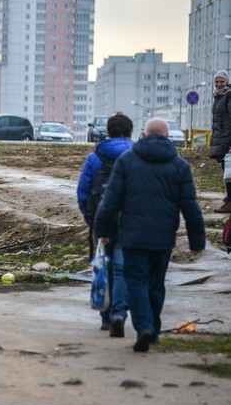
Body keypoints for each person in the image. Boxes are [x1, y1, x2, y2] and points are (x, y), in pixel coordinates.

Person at [94, 118, 206, 352]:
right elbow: (191, 206)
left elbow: (110, 201)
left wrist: (102, 231)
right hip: (163, 238)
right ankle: (152, 330)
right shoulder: (179, 165)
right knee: (156, 284)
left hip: (133, 237)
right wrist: (197, 240)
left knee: (136, 282)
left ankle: (144, 326)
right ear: (167, 137)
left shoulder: (127, 161)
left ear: (144, 135)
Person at [77, 112, 134, 337]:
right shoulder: (136, 155)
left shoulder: (95, 157)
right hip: (130, 221)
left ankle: (106, 317)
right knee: (121, 268)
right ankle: (119, 311)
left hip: (102, 220)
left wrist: (91, 220)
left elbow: (83, 192)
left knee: (103, 267)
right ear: (130, 132)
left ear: (108, 132)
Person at [210, 70, 231, 213]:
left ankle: (230, 201)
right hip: (222, 138)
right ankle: (229, 199)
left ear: (227, 82)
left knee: (229, 172)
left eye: (222, 81)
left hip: (227, 139)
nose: (219, 84)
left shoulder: (228, 96)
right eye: (217, 81)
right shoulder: (219, 96)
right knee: (227, 171)